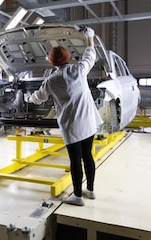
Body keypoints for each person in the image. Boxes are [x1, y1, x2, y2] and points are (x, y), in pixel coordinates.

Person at [26, 27, 103, 206]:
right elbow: (90, 55)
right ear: (67, 57)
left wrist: (28, 98)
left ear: (52, 61)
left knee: (75, 160)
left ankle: (77, 196)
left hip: (71, 126)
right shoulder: (79, 70)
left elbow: (38, 98)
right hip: (88, 122)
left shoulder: (51, 80)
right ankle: (90, 190)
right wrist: (89, 37)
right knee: (88, 157)